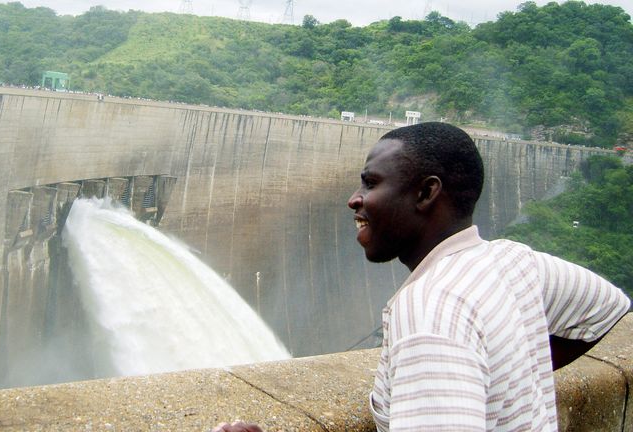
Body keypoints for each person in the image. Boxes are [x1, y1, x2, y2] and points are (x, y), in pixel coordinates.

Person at [212, 122, 630, 432]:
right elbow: (605, 308)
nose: (354, 199)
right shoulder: (513, 262)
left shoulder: (432, 313)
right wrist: (502, 380)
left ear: (427, 193)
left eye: (370, 183)